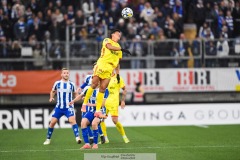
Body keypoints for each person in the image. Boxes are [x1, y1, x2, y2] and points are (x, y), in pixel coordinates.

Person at [81, 29, 131, 118]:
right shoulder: (107, 40)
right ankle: (84, 104)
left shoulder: (119, 47)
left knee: (103, 88)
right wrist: (121, 49)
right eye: (117, 34)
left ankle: (97, 110)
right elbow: (109, 47)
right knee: (94, 84)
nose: (119, 36)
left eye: (120, 35)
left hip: (110, 69)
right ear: (112, 34)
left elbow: (118, 63)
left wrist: (118, 74)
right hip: (102, 64)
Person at [43, 68, 81, 145]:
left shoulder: (72, 84)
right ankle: (48, 139)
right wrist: (51, 97)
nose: (66, 74)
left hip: (68, 107)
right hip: (59, 107)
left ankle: (77, 138)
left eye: (67, 73)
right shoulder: (57, 83)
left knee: (72, 121)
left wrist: (77, 98)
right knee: (52, 122)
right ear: (61, 74)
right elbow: (53, 91)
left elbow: (75, 93)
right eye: (64, 73)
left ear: (69, 74)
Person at [69, 85, 108, 149]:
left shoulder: (104, 89)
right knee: (83, 123)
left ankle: (95, 144)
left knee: (94, 123)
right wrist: (73, 101)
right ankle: (87, 144)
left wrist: (90, 104)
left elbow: (103, 104)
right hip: (90, 111)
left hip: (100, 111)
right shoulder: (88, 88)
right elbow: (81, 95)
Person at [99, 69, 130, 144]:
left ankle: (124, 136)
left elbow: (125, 89)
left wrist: (122, 100)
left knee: (115, 121)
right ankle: (105, 139)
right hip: (103, 103)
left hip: (113, 103)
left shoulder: (118, 78)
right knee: (101, 120)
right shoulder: (103, 78)